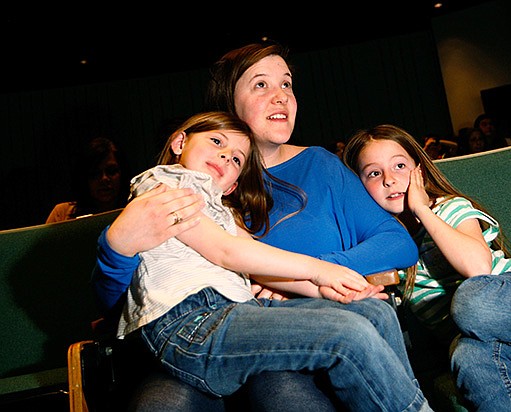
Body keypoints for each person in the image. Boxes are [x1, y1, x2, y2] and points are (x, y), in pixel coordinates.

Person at [92, 42, 421, 411]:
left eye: (287, 84)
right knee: (177, 402)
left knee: (360, 326)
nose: (280, 96)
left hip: (290, 317)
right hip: (208, 329)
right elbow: (123, 299)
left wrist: (320, 279)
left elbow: (396, 242)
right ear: (228, 105)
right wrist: (116, 246)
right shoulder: (197, 182)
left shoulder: (320, 165)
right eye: (261, 85)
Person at [343, 123, 511, 412]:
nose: (390, 179)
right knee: (466, 360)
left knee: (471, 302)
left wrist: (422, 210)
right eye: (374, 173)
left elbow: (478, 268)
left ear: (419, 172)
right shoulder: (379, 247)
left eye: (399, 166)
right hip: (477, 339)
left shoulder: (449, 208)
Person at [46, 136, 130, 223]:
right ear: (84, 178)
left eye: (111, 171)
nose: (104, 179)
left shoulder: (135, 211)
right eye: (95, 173)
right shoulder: (63, 214)